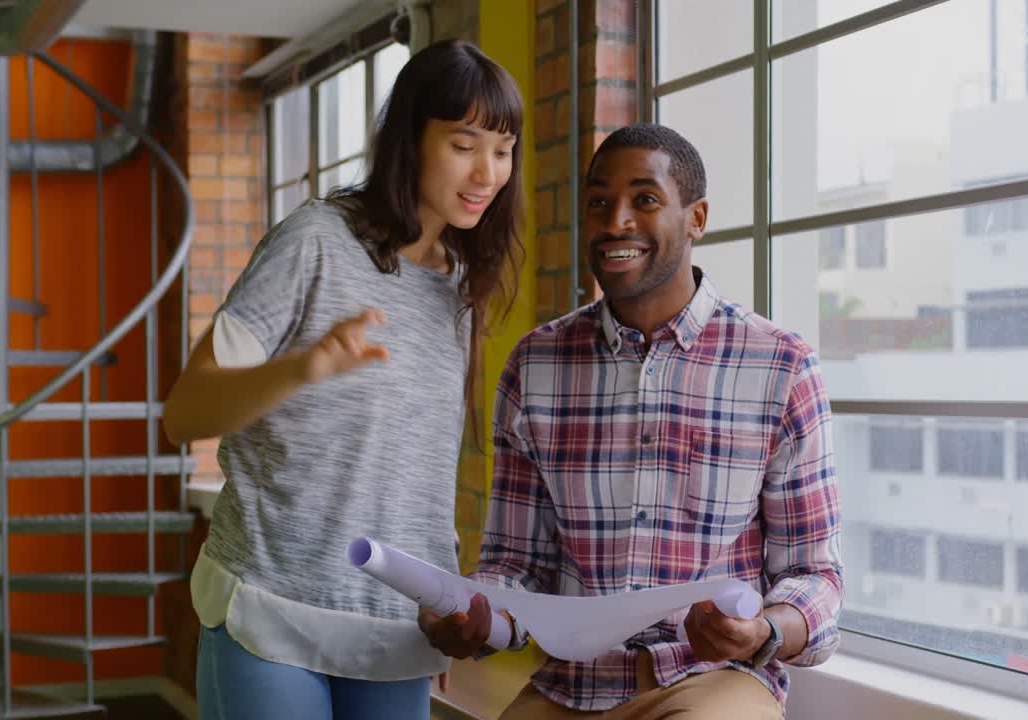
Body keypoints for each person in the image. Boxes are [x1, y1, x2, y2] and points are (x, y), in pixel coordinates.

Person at [420, 124, 843, 719]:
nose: (615, 221)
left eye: (645, 199)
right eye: (598, 203)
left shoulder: (781, 366)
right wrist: (479, 616)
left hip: (712, 683)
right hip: (570, 686)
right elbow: (517, 565)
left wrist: (764, 631)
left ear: (696, 218)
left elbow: (815, 573)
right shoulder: (534, 365)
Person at [162, 38, 524, 720]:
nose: (487, 171)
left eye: (502, 150)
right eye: (464, 144)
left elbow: (416, 467)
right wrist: (304, 368)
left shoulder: (459, 285)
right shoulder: (316, 242)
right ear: (411, 141)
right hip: (272, 609)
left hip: (394, 630)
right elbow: (184, 413)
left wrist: (442, 602)